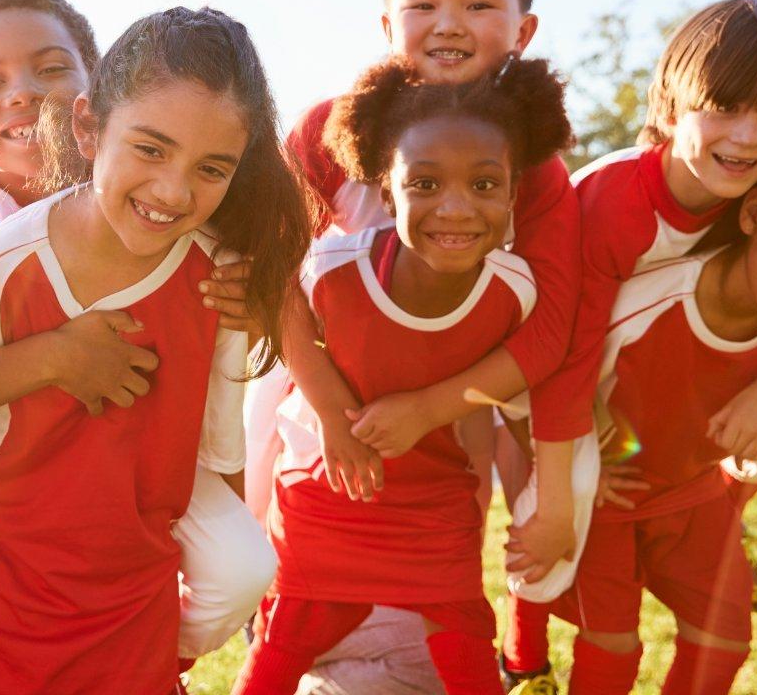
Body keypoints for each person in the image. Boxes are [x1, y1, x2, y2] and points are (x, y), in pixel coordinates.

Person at [0, 0, 278, 694]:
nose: (22, 93)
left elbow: (217, 424)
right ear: (89, 126)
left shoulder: (198, 241)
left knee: (242, 568)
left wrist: (258, 303)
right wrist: (55, 355)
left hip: (133, 470)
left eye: (48, 68)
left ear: (85, 87)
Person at [502, 0, 757, 689]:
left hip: (633, 372)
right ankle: (522, 657)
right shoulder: (616, 205)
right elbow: (566, 358)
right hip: (538, 372)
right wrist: (558, 490)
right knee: (558, 524)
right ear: (670, 106)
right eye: (724, 105)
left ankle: (728, 524)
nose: (748, 135)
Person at [235, 55, 572, 695]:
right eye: (425, 184)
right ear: (387, 192)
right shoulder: (338, 266)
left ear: (511, 194)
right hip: (330, 492)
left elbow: (522, 370)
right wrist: (334, 415)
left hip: (434, 505)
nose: (455, 208)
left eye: (483, 185)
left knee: (468, 651)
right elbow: (279, 298)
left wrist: (430, 409)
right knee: (284, 641)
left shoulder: (512, 291)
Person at [551, 142, 757, 694]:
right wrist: (582, 462)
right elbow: (553, 380)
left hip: (691, 493)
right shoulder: (651, 301)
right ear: (754, 213)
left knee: (725, 639)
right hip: (606, 496)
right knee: (611, 646)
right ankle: (524, 657)